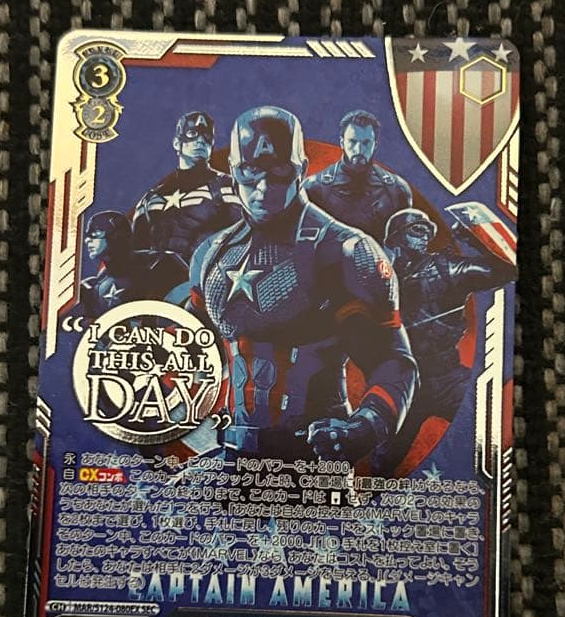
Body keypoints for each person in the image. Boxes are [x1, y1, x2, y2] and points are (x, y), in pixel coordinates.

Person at [188, 106, 417, 463]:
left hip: (314, 460)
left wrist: (365, 428)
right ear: (233, 171)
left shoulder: (345, 251)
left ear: (301, 170)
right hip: (234, 454)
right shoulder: (210, 256)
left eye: (280, 173)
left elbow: (393, 362)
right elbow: (189, 346)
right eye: (250, 172)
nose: (264, 189)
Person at [378, 205, 517, 470]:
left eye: (427, 230)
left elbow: (505, 270)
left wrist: (473, 238)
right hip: (405, 384)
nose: (425, 236)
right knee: (383, 464)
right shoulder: (380, 278)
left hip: (448, 380)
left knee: (488, 434)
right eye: (416, 229)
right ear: (396, 237)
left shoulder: (445, 268)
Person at [131, 111, 240, 301]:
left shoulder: (229, 186)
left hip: (208, 291)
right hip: (157, 295)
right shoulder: (151, 198)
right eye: (192, 134)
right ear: (177, 143)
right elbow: (136, 252)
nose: (200, 141)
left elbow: (247, 239)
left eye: (206, 137)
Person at [302, 109, 412, 243]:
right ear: (342, 142)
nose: (359, 150)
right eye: (352, 142)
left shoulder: (397, 190)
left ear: (375, 144)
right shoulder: (314, 188)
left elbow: (405, 246)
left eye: (366, 143)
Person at [79, 210, 147, 317]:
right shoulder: (91, 288)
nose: (87, 240)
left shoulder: (156, 263)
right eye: (88, 235)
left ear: (116, 236)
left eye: (95, 234)